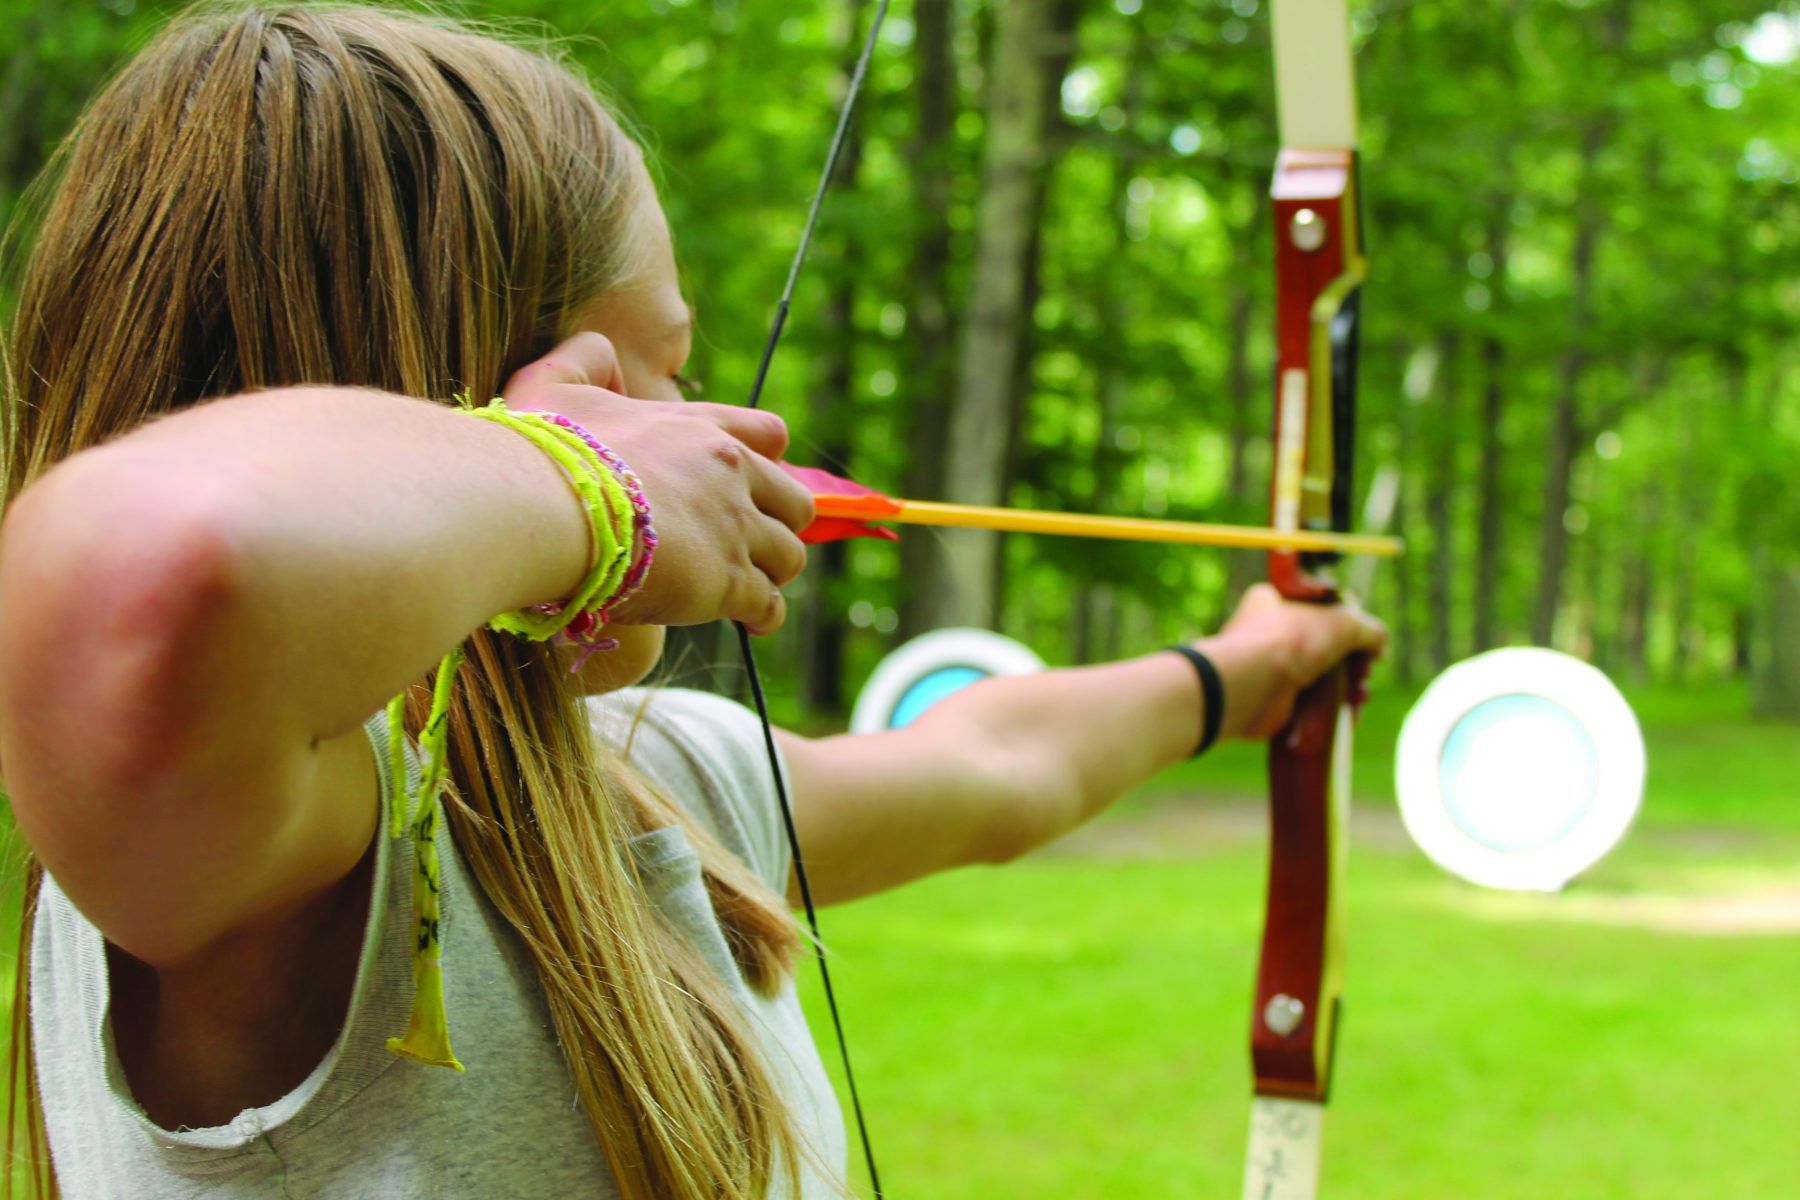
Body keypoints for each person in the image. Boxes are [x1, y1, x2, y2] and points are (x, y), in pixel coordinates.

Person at [0, 5, 1386, 1198]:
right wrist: (592, 499)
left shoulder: (645, 783)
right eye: (658, 372)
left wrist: (1244, 668)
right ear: (540, 409)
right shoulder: (272, 860)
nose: (721, 428)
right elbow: (147, 568)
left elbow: (998, 761)